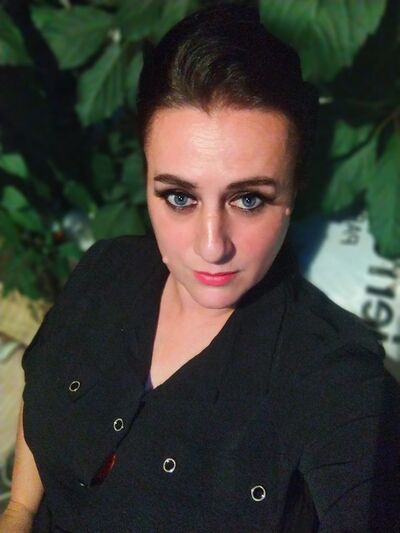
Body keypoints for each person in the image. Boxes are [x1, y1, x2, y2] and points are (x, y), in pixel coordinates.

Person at [1, 4, 399, 532]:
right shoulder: (105, 270)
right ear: (146, 179)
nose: (212, 246)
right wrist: (19, 511)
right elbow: (43, 387)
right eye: (179, 197)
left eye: (249, 200)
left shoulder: (338, 382)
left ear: (294, 191)